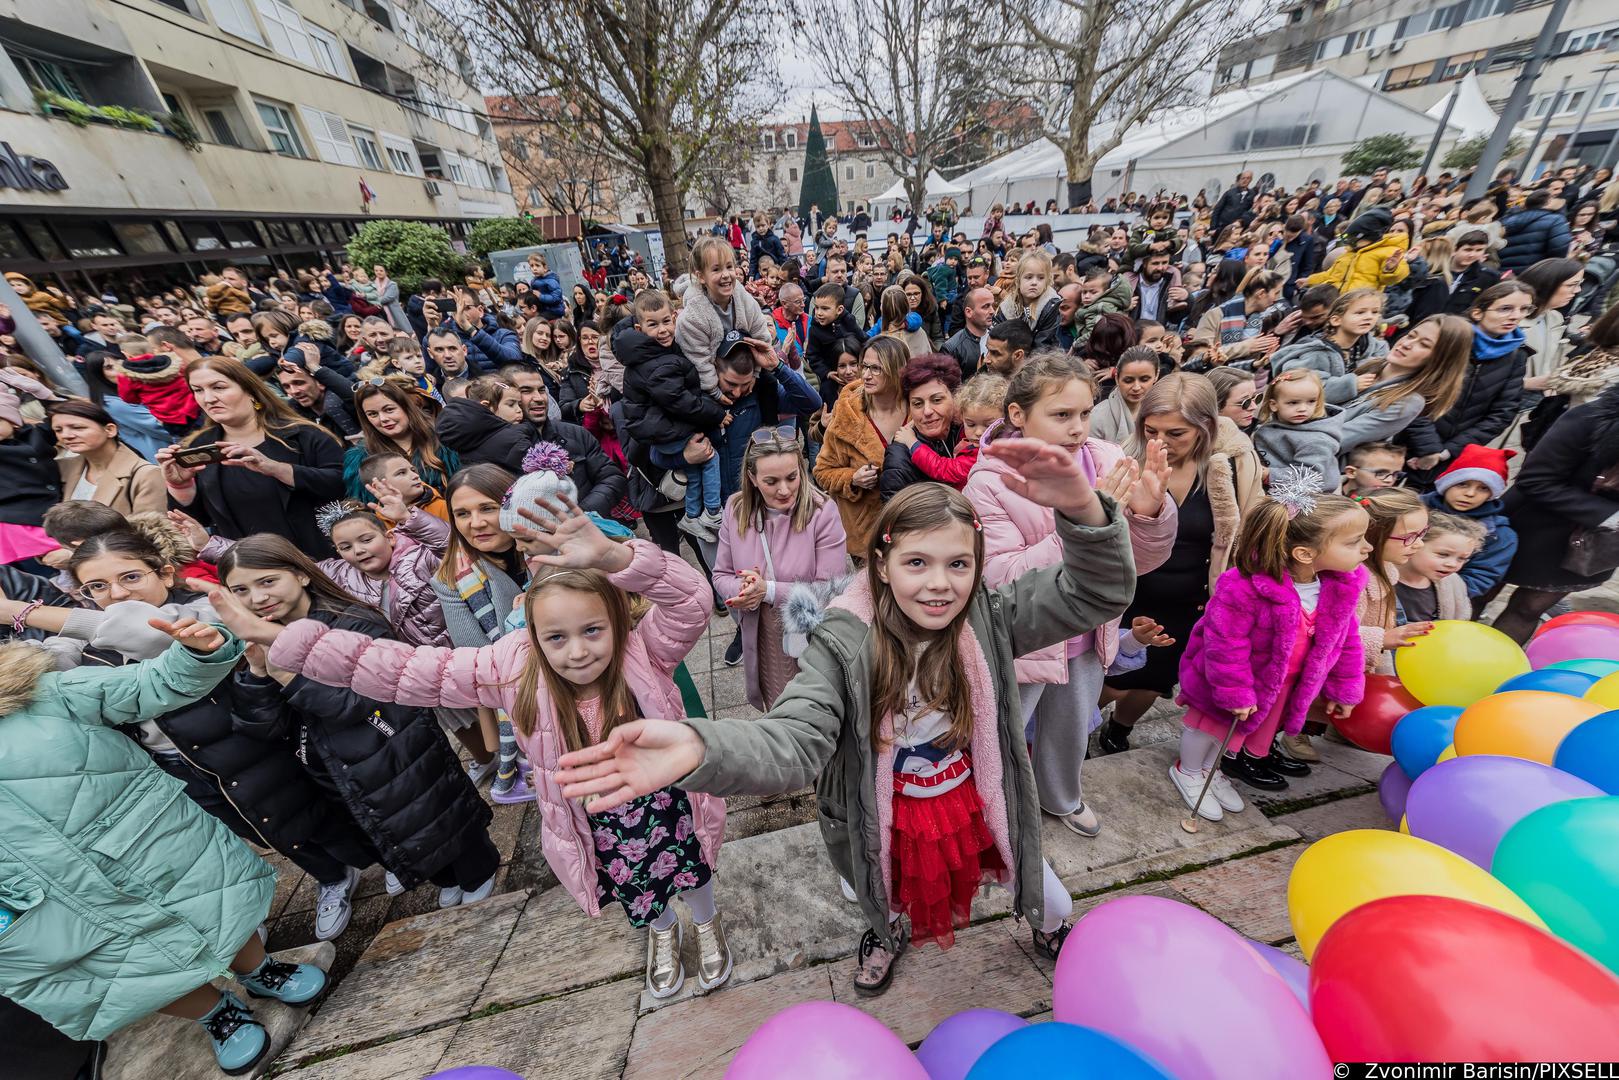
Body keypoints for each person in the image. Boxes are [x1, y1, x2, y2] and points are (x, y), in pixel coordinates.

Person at [551, 447, 1136, 994]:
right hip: (882, 805)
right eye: (916, 562)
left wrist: (1083, 510)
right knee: (881, 885)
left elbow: (1097, 591)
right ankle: (886, 932)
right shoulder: (843, 642)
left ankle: (1049, 922)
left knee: (1026, 869)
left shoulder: (991, 616)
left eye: (959, 563)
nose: (939, 583)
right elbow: (795, 735)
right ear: (881, 565)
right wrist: (705, 748)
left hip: (975, 795)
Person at [215, 498, 734, 1000]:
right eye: (556, 637)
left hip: (668, 800)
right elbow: (402, 668)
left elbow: (690, 598)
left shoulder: (645, 650)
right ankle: (662, 933)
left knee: (693, 865)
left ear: (618, 622)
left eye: (593, 630)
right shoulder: (510, 667)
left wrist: (616, 558)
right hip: (593, 816)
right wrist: (281, 638)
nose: (577, 651)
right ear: (530, 633)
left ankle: (707, 922)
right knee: (635, 882)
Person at [0, 621, 329, 1073]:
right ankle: (217, 1015)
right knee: (126, 973)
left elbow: (151, 685)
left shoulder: (42, 695)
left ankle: (260, 970)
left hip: (146, 845)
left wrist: (198, 653)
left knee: (217, 911)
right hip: (38, 902)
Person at [217, 535, 499, 909]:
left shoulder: (353, 622)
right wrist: (256, 672)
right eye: (241, 590)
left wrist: (289, 678)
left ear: (301, 575)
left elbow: (365, 702)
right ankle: (443, 877)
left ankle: (480, 872)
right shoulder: (256, 643)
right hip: (337, 767)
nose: (257, 598)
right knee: (393, 832)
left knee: (437, 817)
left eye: (267, 581)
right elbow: (263, 728)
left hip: (398, 748)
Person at [965, 356, 1176, 836]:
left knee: (1070, 728)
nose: (1078, 428)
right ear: (1018, 415)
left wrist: (1149, 513)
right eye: (1061, 415)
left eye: (1084, 413)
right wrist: (1085, 520)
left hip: (1087, 636)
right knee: (1002, 734)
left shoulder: (1104, 458)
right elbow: (1000, 577)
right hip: (1030, 640)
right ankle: (988, 809)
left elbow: (1138, 564)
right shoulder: (990, 483)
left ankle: (1062, 796)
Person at [1172, 482, 1369, 808]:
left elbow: (1346, 639)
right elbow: (1224, 643)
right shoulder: (1245, 587)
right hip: (1232, 681)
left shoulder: (1338, 587)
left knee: (1237, 734)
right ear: (1305, 553)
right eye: (1354, 542)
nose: (1367, 549)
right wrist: (1236, 692)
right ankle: (1189, 770)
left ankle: (1211, 769)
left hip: (1279, 686)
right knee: (1208, 727)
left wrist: (1343, 687)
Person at [1099, 374, 1264, 753]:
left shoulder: (1231, 467)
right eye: (1151, 429)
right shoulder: (1124, 460)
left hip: (1191, 603)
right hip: (1129, 599)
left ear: (1205, 427)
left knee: (1155, 680)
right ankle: (1076, 731)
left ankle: (1118, 731)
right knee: (1111, 677)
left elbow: (1246, 531)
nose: (1160, 443)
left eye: (1176, 433)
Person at [157, 357, 345, 558]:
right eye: (198, 390)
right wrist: (181, 487)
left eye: (219, 387)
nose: (208, 398)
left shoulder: (304, 435)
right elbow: (198, 522)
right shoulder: (198, 446)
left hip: (320, 563)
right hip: (249, 571)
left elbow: (343, 486)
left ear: (250, 390)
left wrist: (277, 469)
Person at [715, 428, 847, 710]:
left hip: (811, 636)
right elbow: (721, 574)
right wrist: (744, 591)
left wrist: (768, 591)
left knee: (817, 709)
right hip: (762, 635)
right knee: (778, 710)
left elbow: (831, 591)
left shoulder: (823, 512)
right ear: (752, 478)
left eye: (792, 477)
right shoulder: (735, 509)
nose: (784, 490)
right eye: (771, 481)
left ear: (802, 469)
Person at [432, 464, 531, 800]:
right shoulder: (452, 576)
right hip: (522, 696)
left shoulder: (550, 547)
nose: (475, 523)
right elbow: (479, 657)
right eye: (462, 513)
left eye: (487, 508)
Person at [621, 292, 729, 542]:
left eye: (666, 321)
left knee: (692, 471)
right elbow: (680, 401)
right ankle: (713, 512)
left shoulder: (656, 354)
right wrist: (716, 413)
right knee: (709, 458)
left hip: (663, 428)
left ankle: (692, 516)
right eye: (653, 324)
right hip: (663, 431)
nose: (663, 330)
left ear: (675, 318)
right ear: (639, 328)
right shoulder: (655, 362)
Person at [1407, 282, 1534, 483]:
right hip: (1407, 441)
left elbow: (1502, 413)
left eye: (1524, 309)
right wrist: (1429, 448)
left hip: (1452, 455)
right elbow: (1414, 392)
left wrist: (1447, 452)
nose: (1516, 316)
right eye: (1505, 309)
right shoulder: (1449, 339)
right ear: (1477, 313)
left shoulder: (1516, 356)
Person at [815, 336, 908, 556]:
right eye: (865, 366)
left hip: (911, 527)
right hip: (865, 534)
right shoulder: (847, 414)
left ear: (896, 370)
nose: (865, 375)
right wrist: (852, 479)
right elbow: (822, 472)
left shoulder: (919, 409)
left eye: (876, 368)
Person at [677, 237, 776, 395]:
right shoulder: (691, 317)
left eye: (729, 267)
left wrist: (755, 373)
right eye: (716, 269)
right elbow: (699, 358)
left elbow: (761, 337)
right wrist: (714, 391)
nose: (726, 275)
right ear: (701, 276)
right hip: (712, 382)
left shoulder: (746, 301)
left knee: (770, 384)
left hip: (744, 373)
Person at [1352, 487, 1433, 680]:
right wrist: (1381, 639)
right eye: (1409, 537)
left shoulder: (1385, 569)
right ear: (1371, 535)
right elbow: (1328, 635)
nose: (1419, 544)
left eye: (1422, 533)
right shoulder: (1352, 581)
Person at [342, 377, 461, 501]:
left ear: (406, 407)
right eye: (373, 414)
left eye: (389, 410)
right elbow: (366, 506)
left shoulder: (446, 439)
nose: (383, 419)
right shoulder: (361, 459)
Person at [50, 399, 165, 516]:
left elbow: (150, 530)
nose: (66, 435)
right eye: (58, 430)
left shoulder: (146, 474)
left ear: (110, 430)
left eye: (78, 427)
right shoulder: (62, 467)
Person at [1271, 288, 1387, 405]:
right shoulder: (1317, 352)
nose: (1369, 317)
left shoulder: (1375, 348)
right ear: (1336, 320)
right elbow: (1301, 389)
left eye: (1375, 312)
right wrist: (1351, 385)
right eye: (1360, 312)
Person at [882, 354, 968, 497]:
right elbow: (895, 514)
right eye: (917, 404)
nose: (927, 411)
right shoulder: (899, 457)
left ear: (955, 398)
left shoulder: (970, 431)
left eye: (936, 400)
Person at [1252, 370, 1345, 489]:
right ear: (1274, 405)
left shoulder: (1316, 440)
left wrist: (1268, 474)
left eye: (1311, 401)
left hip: (1310, 499)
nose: (1302, 408)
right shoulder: (1272, 426)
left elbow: (1309, 477)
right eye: (1293, 403)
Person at [1395, 511, 1484, 624]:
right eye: (1443, 554)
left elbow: (1459, 622)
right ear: (1415, 544)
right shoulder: (1376, 581)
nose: (1452, 564)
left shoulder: (1454, 583)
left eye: (1461, 559)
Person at [435, 374, 533, 473]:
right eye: (511, 404)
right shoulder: (515, 440)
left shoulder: (463, 436)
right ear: (486, 406)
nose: (519, 410)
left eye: (519, 404)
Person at [1305, 208, 1409, 294]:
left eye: (1354, 239)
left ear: (1371, 237)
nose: (1350, 243)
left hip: (1358, 303)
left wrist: (1391, 269)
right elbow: (1330, 274)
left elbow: (1390, 279)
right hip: (1336, 300)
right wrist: (1309, 281)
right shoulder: (1349, 253)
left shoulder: (1390, 252)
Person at [1089, 346, 1159, 445]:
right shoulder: (1097, 417)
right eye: (1128, 381)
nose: (1136, 387)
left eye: (1144, 379)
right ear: (1117, 378)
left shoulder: (1162, 410)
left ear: (1156, 376)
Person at [995, 250, 1062, 349]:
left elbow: (1043, 344)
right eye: (1028, 277)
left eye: (1040, 278)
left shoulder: (1050, 305)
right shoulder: (1006, 307)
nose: (1034, 282)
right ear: (1018, 280)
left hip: (1042, 359)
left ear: (1047, 281)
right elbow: (998, 338)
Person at [1499, 190, 1573, 274]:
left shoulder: (1509, 218)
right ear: (1548, 203)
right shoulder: (1556, 220)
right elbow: (1559, 247)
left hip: (1503, 270)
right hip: (1531, 273)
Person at [942, 286, 995, 380]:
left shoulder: (999, 338)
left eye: (992, 305)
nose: (992, 311)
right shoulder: (952, 348)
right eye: (985, 307)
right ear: (969, 312)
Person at [1340, 442, 1407, 498]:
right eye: (1380, 473)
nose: (1390, 480)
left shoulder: (1395, 502)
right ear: (1351, 472)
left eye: (1396, 474)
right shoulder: (1330, 497)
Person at [1206, 367, 1259, 433]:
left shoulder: (1260, 434)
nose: (1254, 407)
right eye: (1244, 402)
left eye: (1256, 397)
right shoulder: (1197, 440)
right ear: (1216, 406)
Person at [526, 253, 566, 319]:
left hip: (554, 311)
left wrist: (541, 296)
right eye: (532, 266)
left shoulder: (551, 280)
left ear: (545, 268)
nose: (534, 268)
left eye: (537, 265)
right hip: (543, 309)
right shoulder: (534, 281)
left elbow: (556, 298)